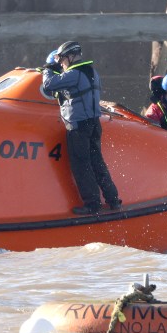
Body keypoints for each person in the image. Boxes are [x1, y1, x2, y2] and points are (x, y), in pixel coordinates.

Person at [41, 41, 122, 216]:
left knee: (81, 165)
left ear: (69, 57)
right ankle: (113, 200)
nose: (61, 65)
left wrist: (48, 67)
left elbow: (48, 85)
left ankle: (92, 205)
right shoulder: (92, 71)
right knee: (97, 162)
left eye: (61, 61)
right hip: (93, 123)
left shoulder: (74, 73)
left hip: (78, 126)